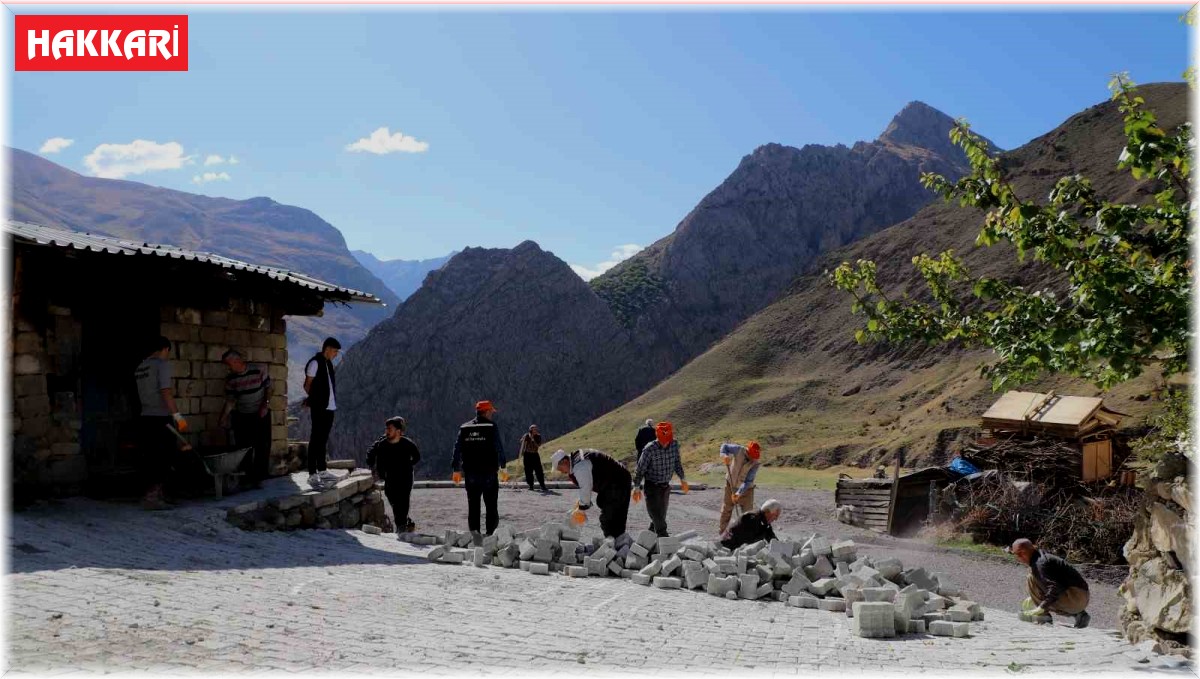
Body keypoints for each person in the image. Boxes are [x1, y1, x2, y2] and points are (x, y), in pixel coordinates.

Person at [133, 336, 189, 510]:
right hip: (161, 417)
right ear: (165, 349)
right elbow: (166, 392)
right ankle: (153, 498)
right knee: (164, 457)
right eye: (167, 352)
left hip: (146, 416)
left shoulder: (140, 367)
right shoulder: (161, 365)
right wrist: (178, 417)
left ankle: (159, 495)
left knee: (151, 456)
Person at [451, 400, 507, 541]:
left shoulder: (464, 428)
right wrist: (503, 467)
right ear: (487, 412)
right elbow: (499, 447)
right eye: (491, 412)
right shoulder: (491, 426)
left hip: (471, 475)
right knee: (491, 507)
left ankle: (475, 538)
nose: (492, 415)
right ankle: (490, 537)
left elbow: (457, 449)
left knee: (473, 507)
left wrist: (456, 470)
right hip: (489, 473)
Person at [219, 349, 272, 488]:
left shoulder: (259, 369)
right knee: (244, 447)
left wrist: (265, 404)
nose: (228, 367)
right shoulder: (231, 379)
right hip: (243, 415)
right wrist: (224, 417)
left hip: (260, 413)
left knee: (262, 446)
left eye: (229, 364)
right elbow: (231, 401)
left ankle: (259, 477)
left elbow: (269, 388)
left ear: (237, 361)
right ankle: (246, 478)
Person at [1010, 538, 1091, 628]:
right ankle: (1079, 614)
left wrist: (1041, 607)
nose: (1019, 557)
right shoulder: (1041, 557)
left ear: (1029, 550)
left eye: (1020, 553)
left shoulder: (1039, 564)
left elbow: (1055, 587)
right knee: (1046, 592)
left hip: (1075, 597)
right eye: (1017, 554)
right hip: (1082, 597)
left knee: (1031, 578)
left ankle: (1043, 616)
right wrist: (1033, 597)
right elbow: (1055, 583)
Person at [551, 448, 633, 538]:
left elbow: (586, 487)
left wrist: (582, 508)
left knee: (609, 519)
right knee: (604, 504)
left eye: (560, 469)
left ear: (565, 461)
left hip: (618, 481)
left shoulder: (580, 466)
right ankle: (618, 542)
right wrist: (580, 504)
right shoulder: (576, 461)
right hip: (612, 482)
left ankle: (613, 545)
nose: (561, 472)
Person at [366, 416, 421, 533]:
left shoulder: (407, 443)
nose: (387, 431)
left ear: (398, 431)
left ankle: (401, 527)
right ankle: (405, 522)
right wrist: (377, 470)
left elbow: (417, 456)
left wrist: (408, 465)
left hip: (406, 477)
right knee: (392, 499)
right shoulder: (382, 444)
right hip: (390, 477)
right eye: (386, 429)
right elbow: (374, 455)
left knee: (403, 500)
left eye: (389, 429)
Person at [633, 421, 688, 537]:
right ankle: (664, 539)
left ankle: (648, 540)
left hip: (665, 487)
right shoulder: (649, 449)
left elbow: (677, 463)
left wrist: (683, 479)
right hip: (651, 486)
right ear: (657, 436)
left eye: (667, 440)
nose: (665, 443)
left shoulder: (674, 445)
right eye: (663, 441)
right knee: (657, 517)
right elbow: (640, 469)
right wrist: (636, 487)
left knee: (659, 517)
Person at [303, 337, 340, 489]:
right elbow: (307, 385)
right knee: (315, 438)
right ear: (327, 349)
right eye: (335, 351)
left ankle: (322, 470)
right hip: (319, 407)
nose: (336, 354)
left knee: (323, 439)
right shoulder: (315, 363)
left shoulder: (328, 363)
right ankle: (312, 473)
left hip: (330, 407)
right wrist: (314, 401)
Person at [718, 440, 761, 533]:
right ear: (748, 451)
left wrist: (738, 493)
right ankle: (722, 533)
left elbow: (748, 481)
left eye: (755, 457)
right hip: (730, 484)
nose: (753, 459)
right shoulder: (739, 450)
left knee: (748, 513)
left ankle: (747, 536)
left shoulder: (755, 464)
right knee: (727, 509)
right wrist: (724, 456)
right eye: (752, 456)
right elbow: (724, 446)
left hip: (747, 490)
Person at [520, 424, 547, 492]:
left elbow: (538, 445)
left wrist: (533, 439)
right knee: (528, 471)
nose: (535, 430)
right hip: (527, 455)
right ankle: (531, 485)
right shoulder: (526, 435)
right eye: (533, 429)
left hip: (535, 454)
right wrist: (524, 439)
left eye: (535, 429)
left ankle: (542, 485)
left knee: (539, 470)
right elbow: (521, 442)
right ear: (531, 430)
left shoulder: (538, 436)